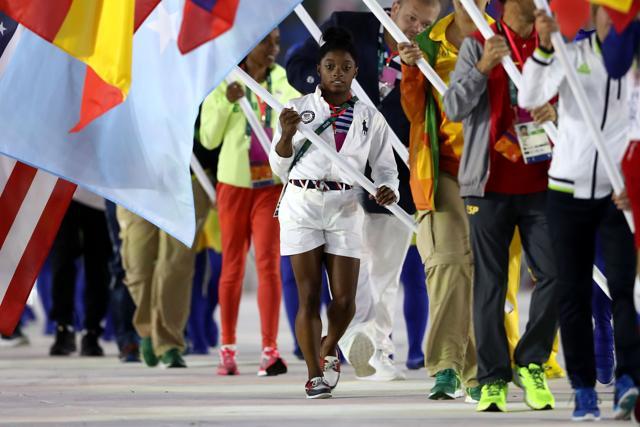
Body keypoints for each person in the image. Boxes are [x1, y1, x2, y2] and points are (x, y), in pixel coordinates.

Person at [286, 0, 440, 381]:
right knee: (355, 270)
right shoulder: (348, 25)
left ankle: (378, 348)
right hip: (337, 171)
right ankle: (358, 343)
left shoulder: (429, 48)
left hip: (397, 171)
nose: (415, 27)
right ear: (395, 7)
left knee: (386, 271)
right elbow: (296, 66)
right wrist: (334, 86)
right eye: (410, 18)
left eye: (425, 23)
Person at [520, 6, 640, 421]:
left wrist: (635, 183)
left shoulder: (634, 63)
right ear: (596, 15)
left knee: (623, 290)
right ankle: (584, 389)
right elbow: (529, 97)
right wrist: (545, 49)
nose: (613, 20)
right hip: (567, 192)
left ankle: (628, 380)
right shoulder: (572, 53)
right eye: (606, 13)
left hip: (616, 194)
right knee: (571, 294)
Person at [270, 27, 399, 399]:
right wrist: (283, 136)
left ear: (356, 71)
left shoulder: (369, 117)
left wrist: (391, 188)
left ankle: (328, 348)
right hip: (302, 205)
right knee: (309, 296)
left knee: (344, 300)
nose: (337, 73)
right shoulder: (297, 109)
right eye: (330, 66)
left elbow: (385, 168)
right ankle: (314, 375)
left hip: (345, 207)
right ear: (320, 69)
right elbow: (281, 169)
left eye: (345, 67)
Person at [443, 0, 558, 413]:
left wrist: (557, 111)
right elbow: (452, 107)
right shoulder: (479, 44)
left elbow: (579, 107)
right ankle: (492, 379)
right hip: (487, 185)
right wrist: (481, 68)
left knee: (556, 276)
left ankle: (531, 361)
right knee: (490, 284)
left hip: (545, 183)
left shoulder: (553, 44)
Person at [199, 29, 299, 376]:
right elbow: (208, 139)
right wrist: (227, 101)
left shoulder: (282, 79)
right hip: (234, 186)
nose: (274, 48)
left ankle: (270, 350)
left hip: (270, 186)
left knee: (269, 265)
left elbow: (294, 116)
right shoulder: (225, 79)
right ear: (247, 43)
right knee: (232, 267)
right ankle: (227, 350)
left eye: (276, 40)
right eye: (266, 41)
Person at [117, 165, 209, 368]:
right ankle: (148, 329)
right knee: (137, 264)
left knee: (175, 267)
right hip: (136, 181)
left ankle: (168, 343)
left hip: (187, 179)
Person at [49, 188, 110, 357]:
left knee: (98, 263)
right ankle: (63, 327)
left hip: (98, 192)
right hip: (63, 189)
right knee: (61, 261)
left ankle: (92, 331)